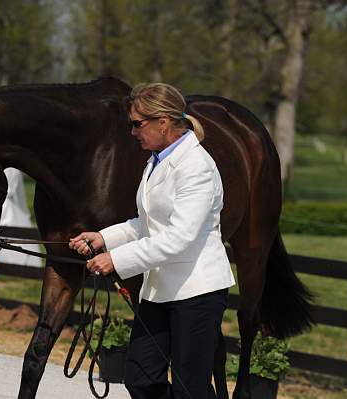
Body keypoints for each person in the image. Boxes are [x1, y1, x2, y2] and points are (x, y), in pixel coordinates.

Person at [69, 83, 235, 398]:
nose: (132, 132)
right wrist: (103, 238)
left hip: (196, 291)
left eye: (136, 124)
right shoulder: (156, 160)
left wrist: (115, 260)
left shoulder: (196, 167)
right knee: (140, 378)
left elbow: (178, 237)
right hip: (160, 289)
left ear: (163, 122)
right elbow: (149, 223)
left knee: (190, 389)